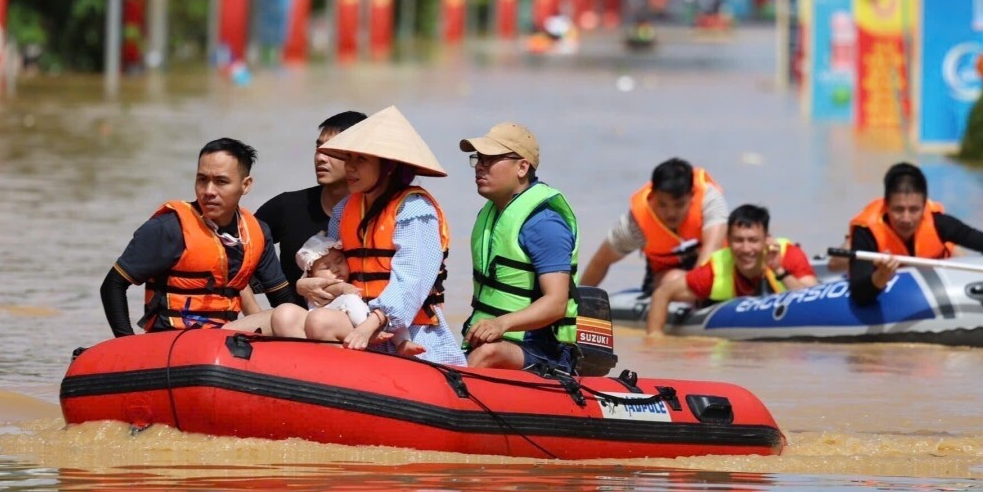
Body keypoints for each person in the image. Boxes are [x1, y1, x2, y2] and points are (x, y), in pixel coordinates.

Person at [269, 106, 467, 366]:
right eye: (348, 158)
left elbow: (412, 282)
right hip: (353, 312)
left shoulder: (415, 209)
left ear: (388, 166)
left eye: (360, 160)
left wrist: (372, 323)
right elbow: (333, 266)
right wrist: (307, 283)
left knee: (320, 322)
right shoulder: (345, 209)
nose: (349, 167)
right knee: (285, 315)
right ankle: (313, 385)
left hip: (400, 330)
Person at [100, 138, 299, 337]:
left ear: (245, 185)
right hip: (170, 341)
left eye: (221, 181)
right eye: (202, 180)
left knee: (291, 314)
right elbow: (113, 285)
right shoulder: (170, 228)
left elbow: (282, 298)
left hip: (222, 342)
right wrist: (127, 342)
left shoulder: (256, 232)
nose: (209, 191)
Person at [459, 122, 580, 373]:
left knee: (488, 353)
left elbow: (556, 303)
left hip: (541, 348)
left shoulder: (545, 224)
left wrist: (501, 324)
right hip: (491, 340)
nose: (480, 165)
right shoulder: (491, 213)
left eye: (490, 159)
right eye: (478, 158)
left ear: (522, 167)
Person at [847, 162, 983, 306]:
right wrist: (882, 275)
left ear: (924, 206)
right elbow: (859, 296)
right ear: (886, 206)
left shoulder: (939, 223)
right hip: (883, 284)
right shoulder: (866, 231)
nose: (906, 218)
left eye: (914, 210)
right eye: (898, 209)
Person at [645, 204, 818, 335]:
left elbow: (814, 300)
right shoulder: (716, 269)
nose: (745, 249)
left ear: (766, 239)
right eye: (738, 240)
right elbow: (662, 293)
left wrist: (778, 269)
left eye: (753, 240)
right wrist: (655, 339)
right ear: (728, 240)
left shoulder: (789, 255)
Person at [255, 111, 368, 297]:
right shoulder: (286, 207)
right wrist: (256, 310)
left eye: (332, 150)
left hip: (361, 318)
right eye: (318, 148)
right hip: (289, 319)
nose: (320, 158)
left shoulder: (382, 213)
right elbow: (236, 255)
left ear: (362, 156)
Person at [578, 158, 729, 294]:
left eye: (679, 205)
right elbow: (600, 262)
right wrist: (574, 306)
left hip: (715, 271)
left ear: (692, 195)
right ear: (652, 196)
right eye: (662, 204)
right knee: (673, 279)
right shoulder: (636, 225)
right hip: (666, 278)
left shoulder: (710, 201)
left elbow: (711, 249)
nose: (670, 213)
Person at [293, 233, 423, 356]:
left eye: (339, 261)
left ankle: (403, 342)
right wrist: (344, 288)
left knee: (391, 312)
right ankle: (371, 332)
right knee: (350, 299)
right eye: (326, 267)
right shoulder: (318, 286)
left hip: (355, 318)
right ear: (311, 275)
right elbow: (335, 290)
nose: (335, 269)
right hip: (326, 317)